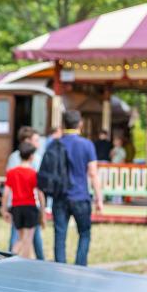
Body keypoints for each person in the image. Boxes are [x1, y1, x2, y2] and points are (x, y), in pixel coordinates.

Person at [52, 109, 102, 266]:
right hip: (80, 196)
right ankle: (80, 267)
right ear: (80, 124)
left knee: (60, 235)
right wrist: (99, 199)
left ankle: (59, 268)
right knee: (84, 234)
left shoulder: (54, 144)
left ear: (63, 124)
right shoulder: (87, 145)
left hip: (59, 196)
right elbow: (93, 173)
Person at [3, 127, 45, 258]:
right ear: (31, 156)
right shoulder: (33, 174)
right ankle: (24, 263)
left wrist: (3, 209)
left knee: (20, 238)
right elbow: (40, 193)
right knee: (27, 240)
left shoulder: (12, 172)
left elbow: (6, 192)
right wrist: (43, 212)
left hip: (16, 207)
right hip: (30, 207)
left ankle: (10, 257)